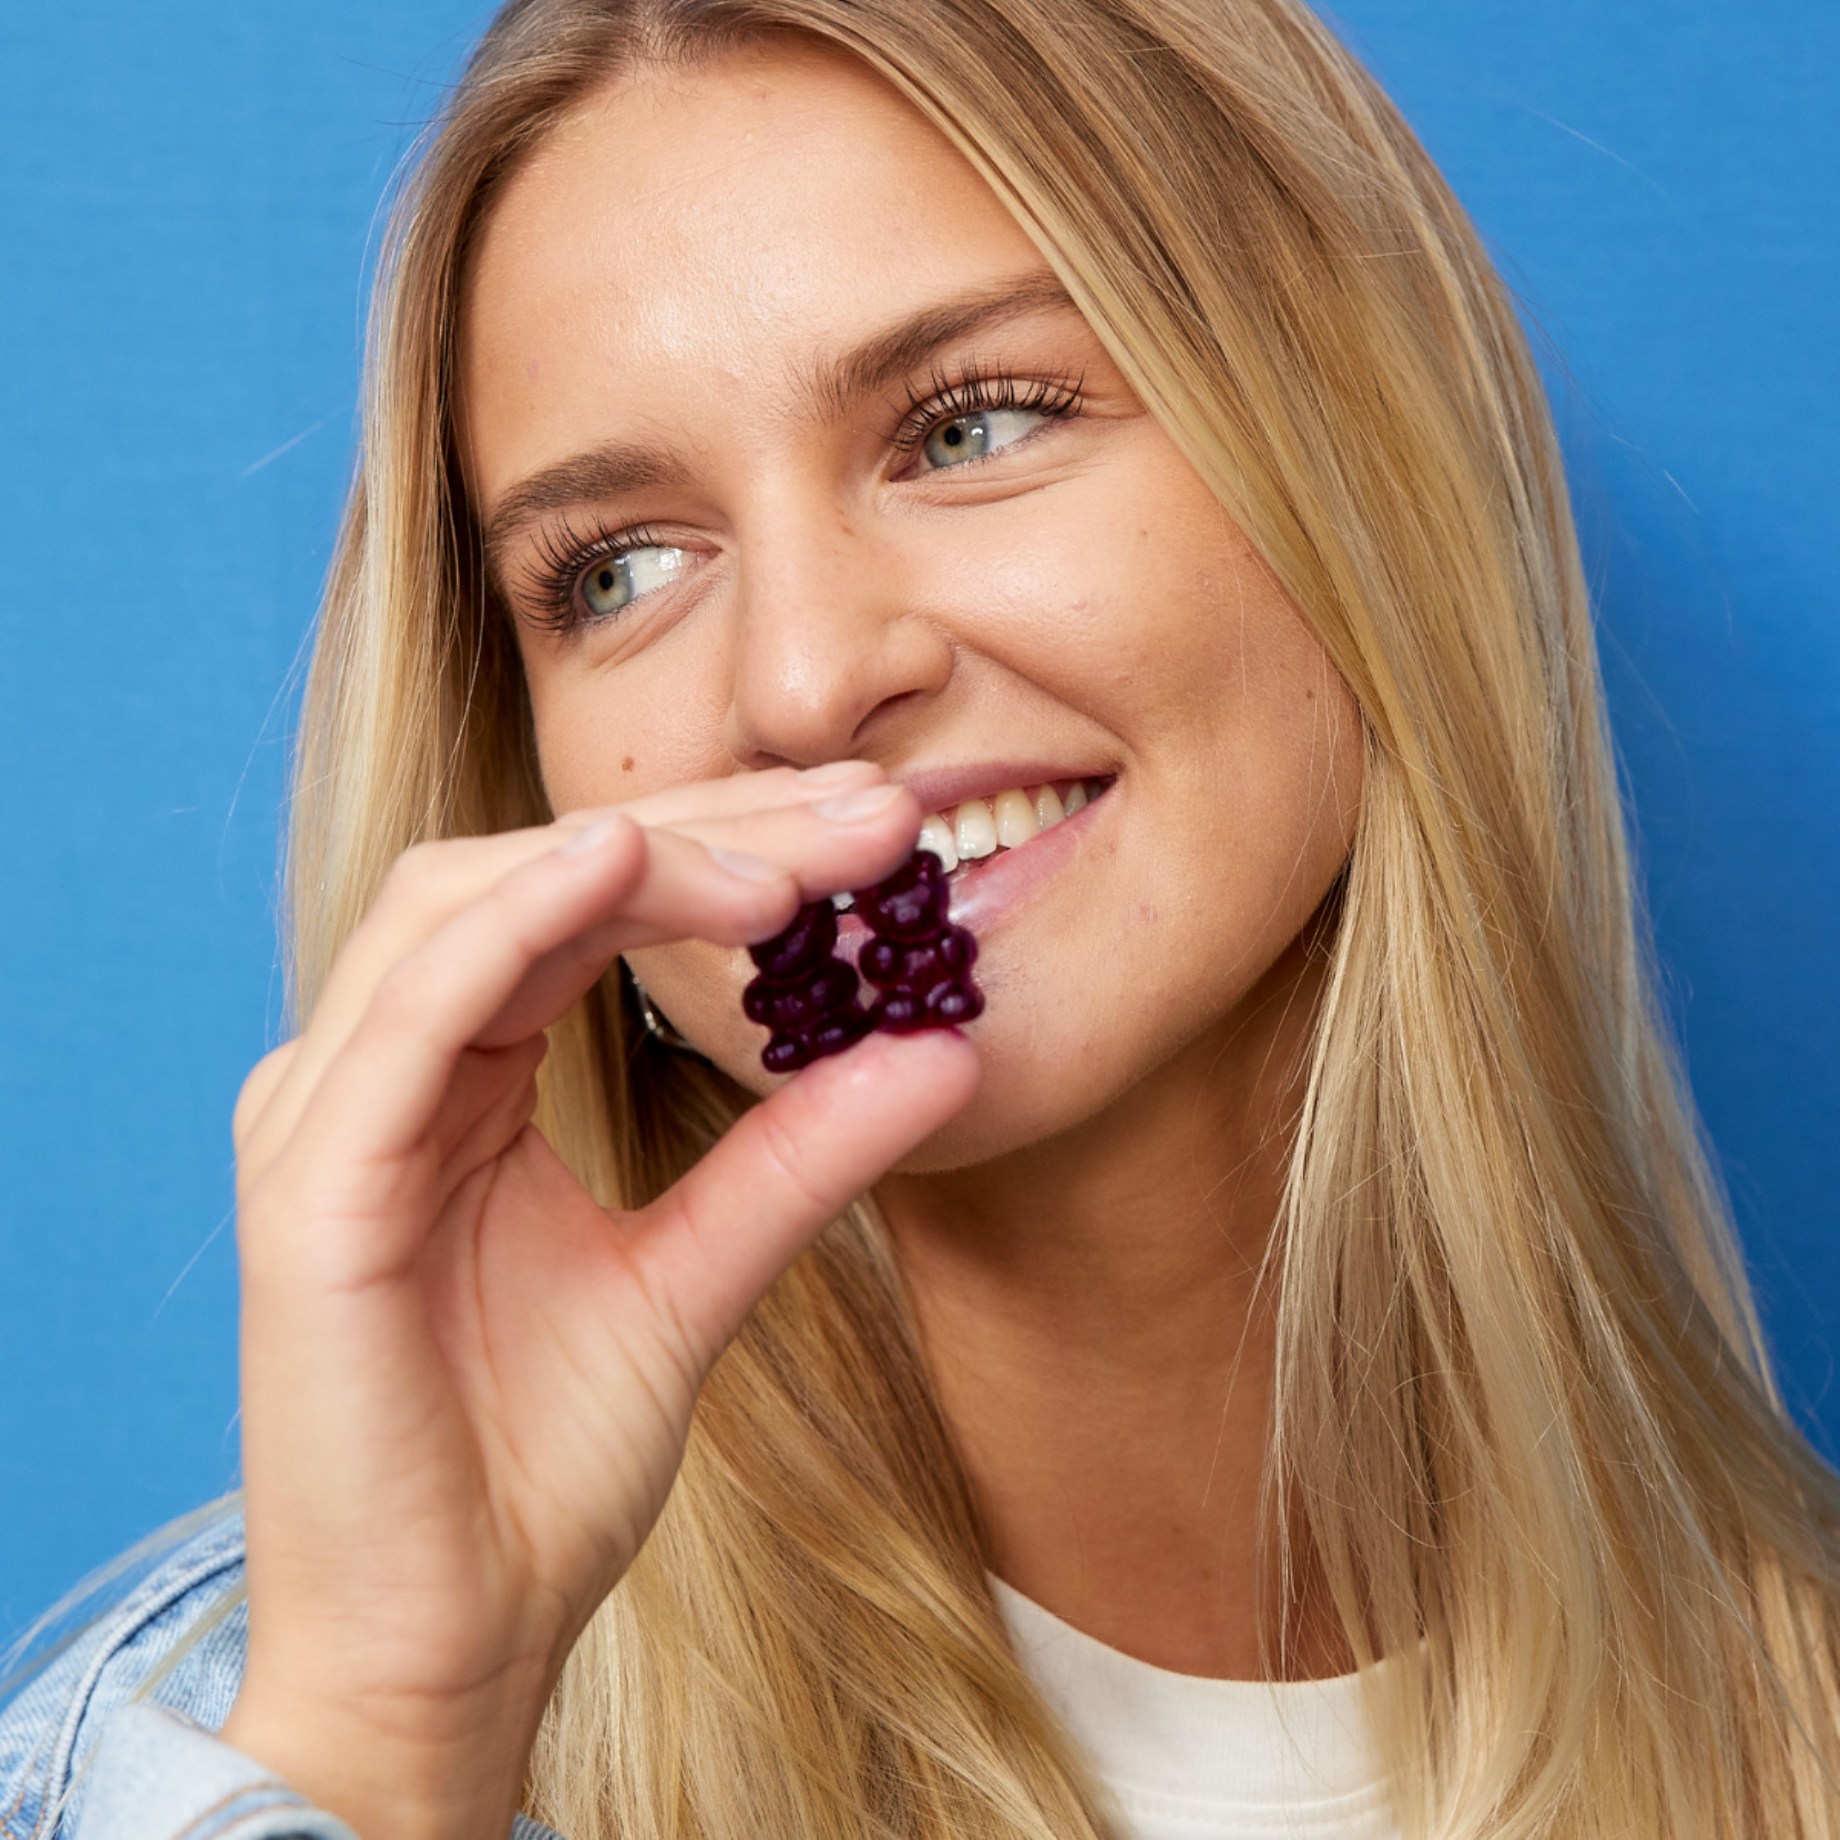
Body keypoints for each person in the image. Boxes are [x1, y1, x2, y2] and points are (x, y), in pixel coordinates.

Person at [5, 0, 1839, 1835]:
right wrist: (395, 1741)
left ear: (1363, 460)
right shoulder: (250, 1750)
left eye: (971, 426)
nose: (805, 681)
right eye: (619, 571)